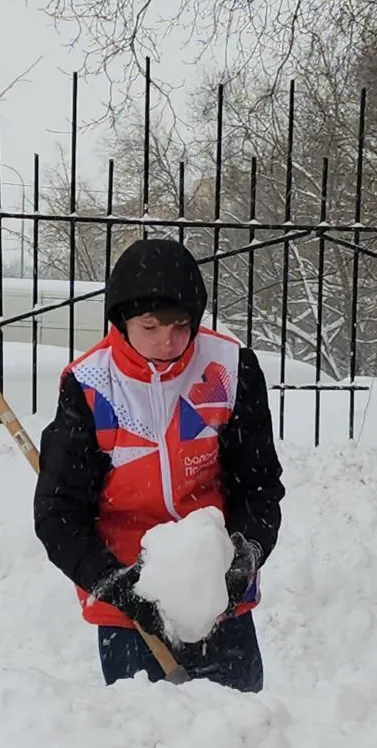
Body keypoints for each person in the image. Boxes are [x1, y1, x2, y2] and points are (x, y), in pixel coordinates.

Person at [34, 237, 285, 691]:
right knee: (151, 746)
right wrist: (113, 583)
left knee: (244, 740)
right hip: (130, 601)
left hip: (218, 591)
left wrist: (244, 555)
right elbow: (58, 513)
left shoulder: (229, 368)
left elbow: (259, 485)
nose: (167, 342)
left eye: (180, 325)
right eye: (150, 327)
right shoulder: (90, 385)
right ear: (122, 320)